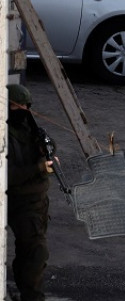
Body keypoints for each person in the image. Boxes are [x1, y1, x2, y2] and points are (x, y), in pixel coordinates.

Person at [7, 84, 52, 301]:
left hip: (38, 200)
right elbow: (7, 175)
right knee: (37, 252)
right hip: (19, 200)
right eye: (17, 106)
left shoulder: (27, 126)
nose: (23, 110)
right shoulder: (5, 133)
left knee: (29, 252)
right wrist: (38, 168)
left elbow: (48, 144)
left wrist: (47, 148)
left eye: (26, 105)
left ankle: (25, 290)